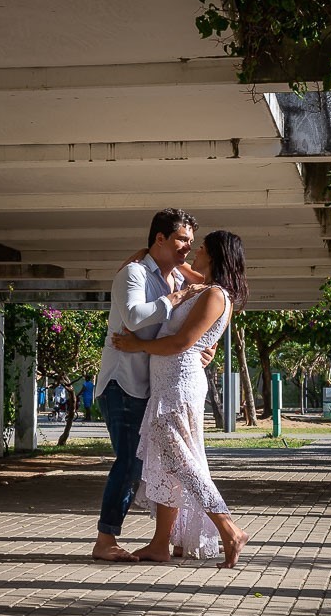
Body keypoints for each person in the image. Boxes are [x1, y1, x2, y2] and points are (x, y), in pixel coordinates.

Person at [111, 230, 251, 568]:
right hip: (168, 384)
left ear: (215, 256)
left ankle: (228, 527)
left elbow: (181, 343)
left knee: (182, 463)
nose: (193, 250)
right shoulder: (204, 286)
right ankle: (161, 543)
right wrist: (149, 250)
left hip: (178, 385)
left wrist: (137, 345)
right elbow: (180, 266)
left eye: (201, 247)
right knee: (170, 465)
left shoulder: (215, 295)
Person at [91, 208, 208, 562]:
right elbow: (133, 317)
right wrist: (173, 298)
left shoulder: (172, 277)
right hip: (123, 383)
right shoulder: (134, 273)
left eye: (191, 241)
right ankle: (105, 540)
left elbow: (204, 285)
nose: (188, 247)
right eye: (181, 240)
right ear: (160, 238)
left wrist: (201, 349)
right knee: (130, 463)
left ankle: (168, 538)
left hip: (152, 387)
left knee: (158, 465)